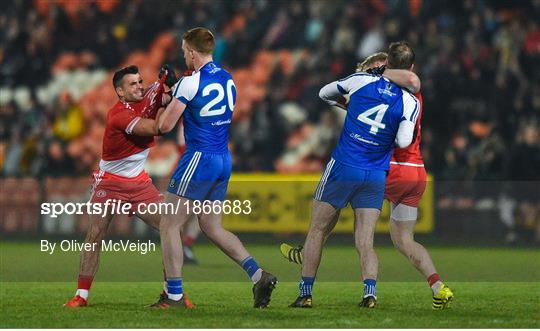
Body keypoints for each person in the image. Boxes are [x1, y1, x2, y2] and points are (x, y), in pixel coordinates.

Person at [281, 49, 453, 309]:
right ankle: (373, 293)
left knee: (318, 228)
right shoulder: (411, 100)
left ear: (389, 66)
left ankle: (305, 290)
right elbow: (405, 138)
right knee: (374, 240)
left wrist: (353, 103)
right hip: (395, 172)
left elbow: (325, 93)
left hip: (358, 165)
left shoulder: (362, 81)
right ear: (411, 67)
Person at [150, 27, 276, 309]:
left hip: (199, 157)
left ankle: (173, 296)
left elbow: (165, 126)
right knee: (211, 226)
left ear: (193, 53)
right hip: (222, 159)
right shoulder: (228, 78)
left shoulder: (190, 81)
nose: (184, 57)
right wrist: (175, 90)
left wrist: (169, 93)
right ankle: (258, 275)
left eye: (185, 52)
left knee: (169, 224)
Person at [64, 64, 180, 307]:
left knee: (170, 229)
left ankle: (172, 294)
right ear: (120, 91)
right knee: (95, 235)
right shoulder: (118, 115)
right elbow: (156, 127)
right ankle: (81, 296)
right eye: (133, 84)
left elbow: (164, 94)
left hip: (139, 182)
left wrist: (169, 84)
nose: (139, 86)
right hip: (110, 183)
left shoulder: (146, 93)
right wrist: (168, 99)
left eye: (140, 81)